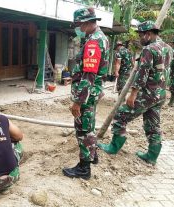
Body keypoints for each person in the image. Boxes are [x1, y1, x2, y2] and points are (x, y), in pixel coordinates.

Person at [98, 21, 166, 165]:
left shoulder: (149, 49)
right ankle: (152, 156)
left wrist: (133, 93)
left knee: (121, 115)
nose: (139, 38)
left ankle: (113, 147)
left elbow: (143, 73)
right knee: (153, 125)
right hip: (160, 94)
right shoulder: (168, 48)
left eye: (141, 35)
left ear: (148, 34)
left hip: (148, 94)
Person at [62, 7, 109, 180]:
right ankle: (93, 155)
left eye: (80, 24)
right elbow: (92, 69)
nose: (79, 28)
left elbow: (89, 75)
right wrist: (74, 77)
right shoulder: (101, 38)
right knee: (89, 126)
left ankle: (84, 169)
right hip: (93, 91)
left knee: (83, 130)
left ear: (88, 22)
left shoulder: (93, 42)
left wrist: (78, 102)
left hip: (87, 94)